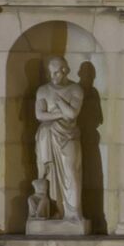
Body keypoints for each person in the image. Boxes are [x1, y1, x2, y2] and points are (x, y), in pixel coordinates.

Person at [29, 57, 87, 228]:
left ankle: (74, 214)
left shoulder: (76, 89)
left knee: (71, 172)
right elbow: (40, 115)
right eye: (50, 72)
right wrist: (61, 113)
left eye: (56, 72)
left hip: (69, 136)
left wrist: (60, 102)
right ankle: (53, 210)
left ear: (65, 71)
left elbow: (72, 115)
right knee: (48, 173)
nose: (52, 76)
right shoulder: (42, 90)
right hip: (47, 135)